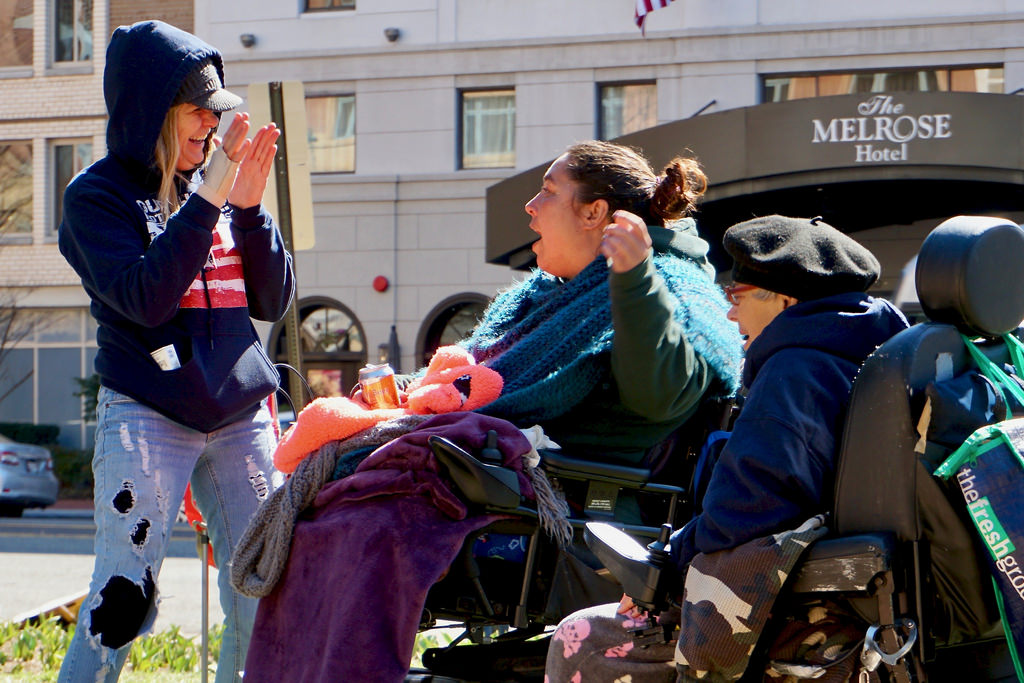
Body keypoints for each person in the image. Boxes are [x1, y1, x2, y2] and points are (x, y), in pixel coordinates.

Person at [236, 140, 744, 683]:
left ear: (595, 213)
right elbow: (468, 378)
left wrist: (636, 280)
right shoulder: (547, 293)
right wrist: (398, 395)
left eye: (548, 192)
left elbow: (665, 395)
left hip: (579, 513)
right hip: (504, 484)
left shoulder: (667, 284)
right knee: (336, 511)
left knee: (367, 524)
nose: (530, 206)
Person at [545, 215, 910, 682]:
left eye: (737, 296)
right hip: (873, 608)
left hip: (808, 618)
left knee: (580, 636)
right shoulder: (880, 357)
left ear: (785, 300)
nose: (731, 314)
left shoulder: (794, 373)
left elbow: (745, 511)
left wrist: (665, 565)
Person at [56, 20, 293, 683]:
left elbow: (272, 301)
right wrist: (213, 195)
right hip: (148, 414)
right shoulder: (95, 196)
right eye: (197, 110)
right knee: (123, 599)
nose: (209, 126)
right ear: (154, 109)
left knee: (263, 586)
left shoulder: (212, 185)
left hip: (240, 416)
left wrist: (247, 211)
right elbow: (145, 298)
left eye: (216, 111)